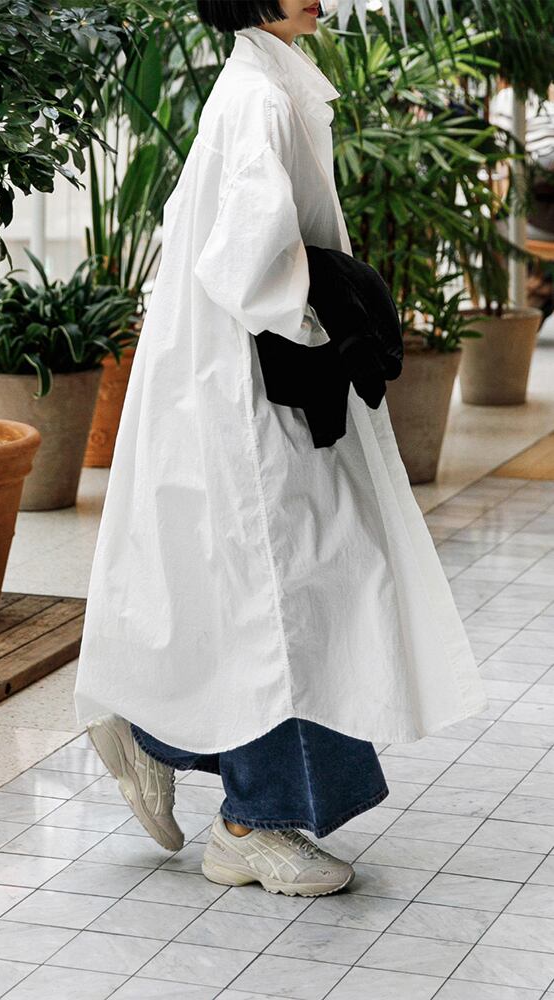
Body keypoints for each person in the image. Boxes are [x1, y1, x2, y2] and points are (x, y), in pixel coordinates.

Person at [74, 0, 488, 896]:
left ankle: (150, 730)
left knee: (267, 590)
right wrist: (333, 320)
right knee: (295, 598)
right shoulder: (262, 96)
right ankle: (250, 824)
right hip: (253, 388)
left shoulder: (263, 82)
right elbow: (248, 265)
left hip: (237, 379)